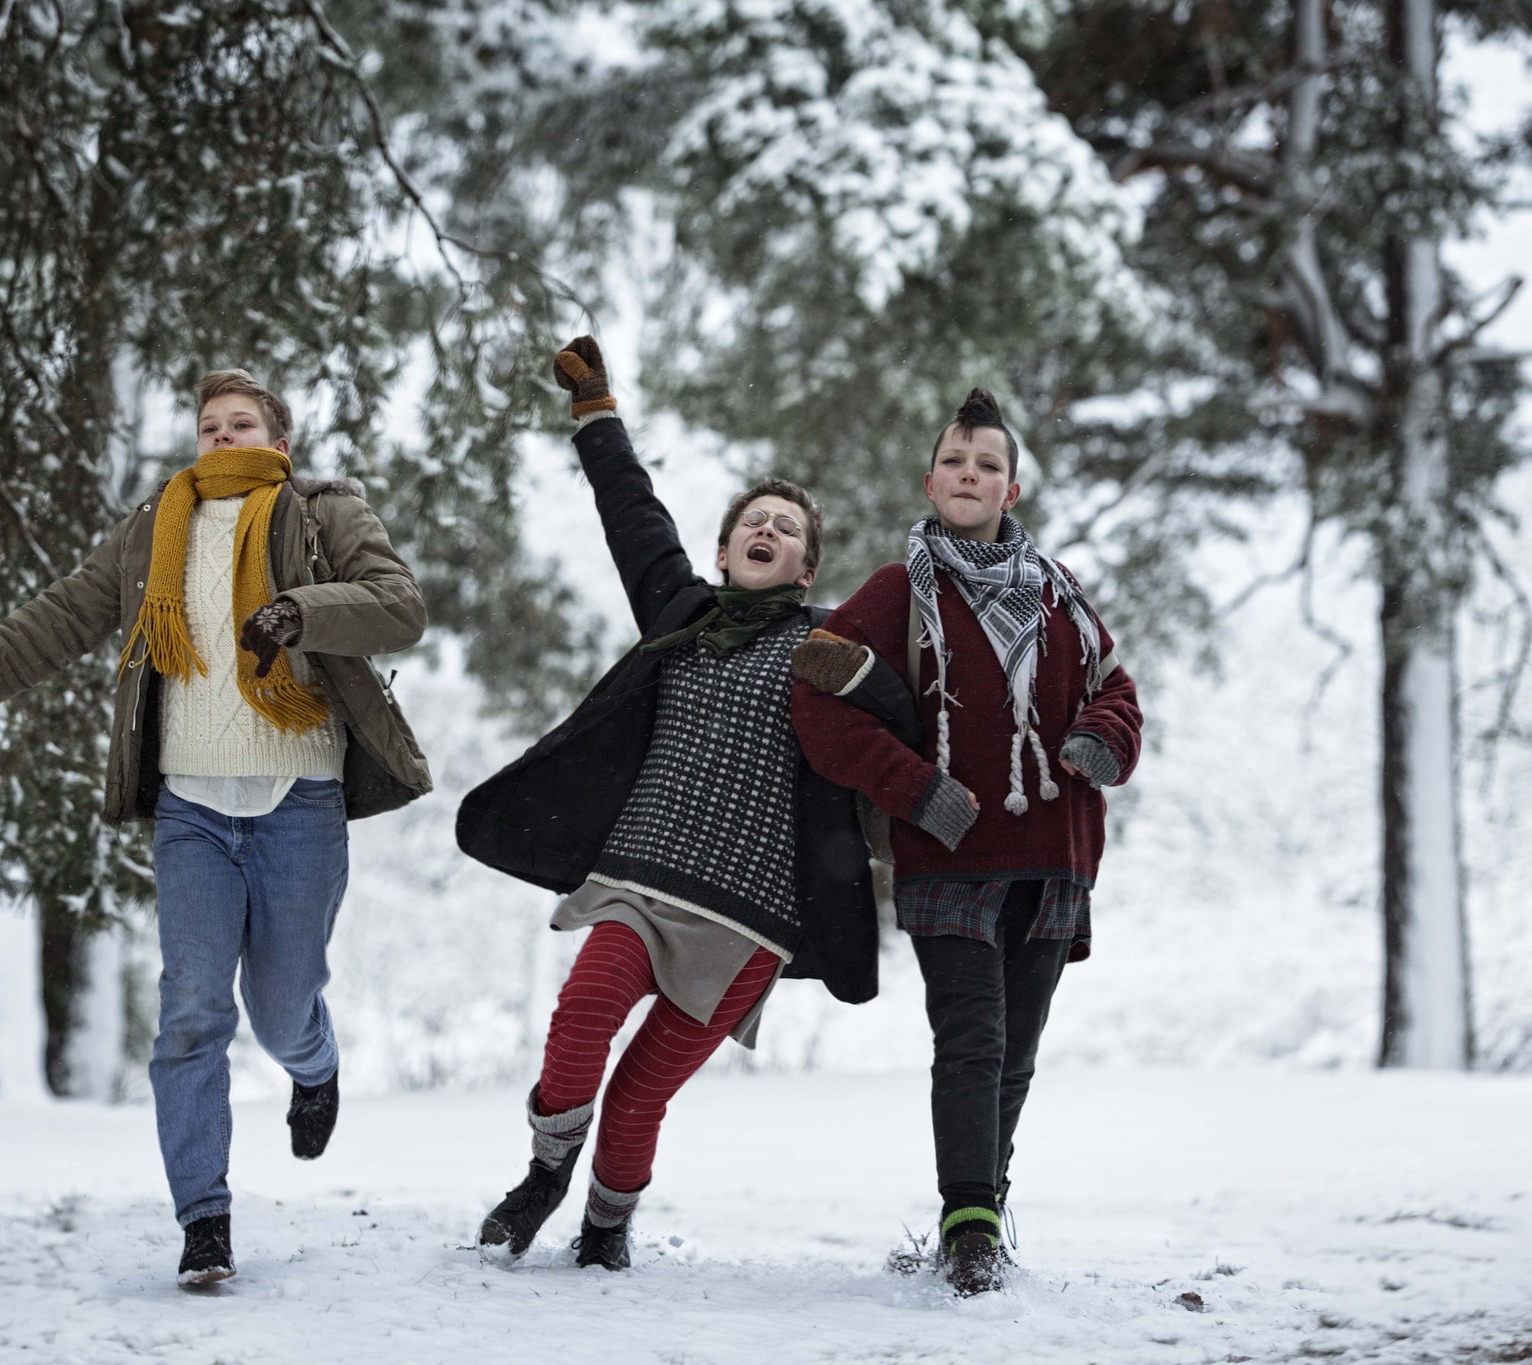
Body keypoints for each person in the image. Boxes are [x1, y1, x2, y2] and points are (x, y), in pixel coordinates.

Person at [0, 370, 431, 1287]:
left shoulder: (321, 511)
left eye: (242, 422)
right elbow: (68, 609)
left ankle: (312, 1063)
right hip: (191, 809)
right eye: (208, 425)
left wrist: (299, 611)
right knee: (192, 1014)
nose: (221, 436)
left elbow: (400, 605)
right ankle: (204, 1220)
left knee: (282, 1011)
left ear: (279, 440)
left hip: (298, 801)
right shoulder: (155, 528)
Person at [457, 336, 920, 1270]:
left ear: (805, 570)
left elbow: (903, 713)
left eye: (790, 529)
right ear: (725, 548)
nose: (771, 530)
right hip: (642, 874)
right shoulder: (681, 611)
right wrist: (596, 409)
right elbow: (629, 511)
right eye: (758, 519)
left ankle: (606, 1227)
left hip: (752, 916)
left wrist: (861, 671)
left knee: (639, 1096)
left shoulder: (826, 643)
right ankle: (547, 1170)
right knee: (583, 1010)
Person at [789, 388, 1142, 1294]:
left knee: (1017, 1048)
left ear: (1011, 491)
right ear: (931, 478)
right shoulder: (898, 589)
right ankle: (969, 1222)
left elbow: (1119, 688)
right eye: (956, 461)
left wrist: (1101, 738)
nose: (970, 475)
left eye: (988, 465)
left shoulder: (1059, 592)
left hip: (1055, 849)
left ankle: (984, 1200)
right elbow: (816, 699)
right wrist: (915, 788)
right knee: (973, 1039)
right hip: (949, 854)